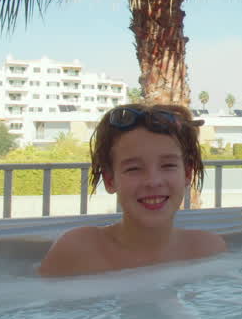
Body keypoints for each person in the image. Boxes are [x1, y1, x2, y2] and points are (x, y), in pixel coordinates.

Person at [38, 104, 226, 277]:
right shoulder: (77, 250)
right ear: (110, 180)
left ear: (187, 174)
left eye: (168, 165)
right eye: (134, 169)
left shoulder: (207, 250)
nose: (153, 181)